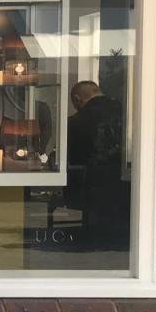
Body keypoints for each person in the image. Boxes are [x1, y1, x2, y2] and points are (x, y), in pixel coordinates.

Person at [66, 80, 128, 250]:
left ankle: (97, 240)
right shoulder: (126, 109)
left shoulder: (75, 122)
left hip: (95, 180)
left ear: (78, 99)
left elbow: (73, 156)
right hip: (126, 178)